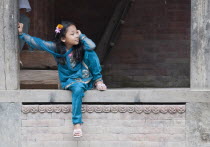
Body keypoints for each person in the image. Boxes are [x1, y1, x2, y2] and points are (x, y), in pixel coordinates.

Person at [18, 21, 107, 137]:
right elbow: (39, 43)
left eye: (77, 33)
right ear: (63, 39)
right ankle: (77, 124)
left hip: (85, 78)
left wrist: (82, 36)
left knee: (91, 53)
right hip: (70, 81)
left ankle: (98, 80)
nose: (76, 36)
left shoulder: (81, 46)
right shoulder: (57, 48)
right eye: (72, 34)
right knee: (78, 89)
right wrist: (22, 34)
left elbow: (92, 45)